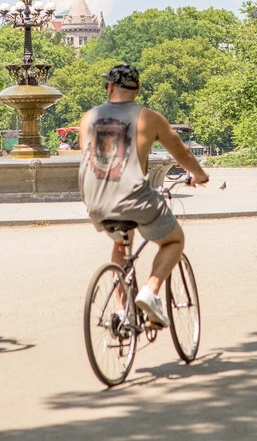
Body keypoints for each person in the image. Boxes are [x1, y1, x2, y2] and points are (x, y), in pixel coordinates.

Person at [78, 64, 210, 327]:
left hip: (95, 200)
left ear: (109, 87)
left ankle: (122, 310)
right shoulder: (148, 117)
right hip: (133, 196)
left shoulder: (89, 117)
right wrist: (199, 175)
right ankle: (150, 291)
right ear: (137, 90)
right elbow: (180, 152)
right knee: (174, 240)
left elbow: (91, 157)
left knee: (120, 244)